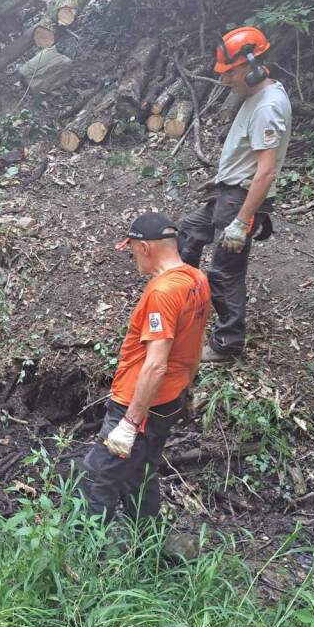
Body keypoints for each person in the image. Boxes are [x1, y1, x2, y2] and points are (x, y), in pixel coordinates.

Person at [80, 212, 210, 526]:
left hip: (139, 405)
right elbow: (197, 340)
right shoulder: (197, 279)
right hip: (169, 400)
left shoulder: (162, 292)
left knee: (96, 478)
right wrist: (188, 387)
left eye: (132, 249)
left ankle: (81, 548)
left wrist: (129, 423)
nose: (133, 256)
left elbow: (155, 364)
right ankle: (146, 542)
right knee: (139, 473)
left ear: (145, 247)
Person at [177, 26, 292, 362]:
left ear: (253, 67)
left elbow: (266, 172)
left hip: (240, 200)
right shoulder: (258, 96)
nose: (224, 80)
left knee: (225, 271)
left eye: (230, 73)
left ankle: (227, 344)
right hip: (228, 193)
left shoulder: (267, 107)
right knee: (188, 232)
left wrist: (242, 222)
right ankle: (183, 300)